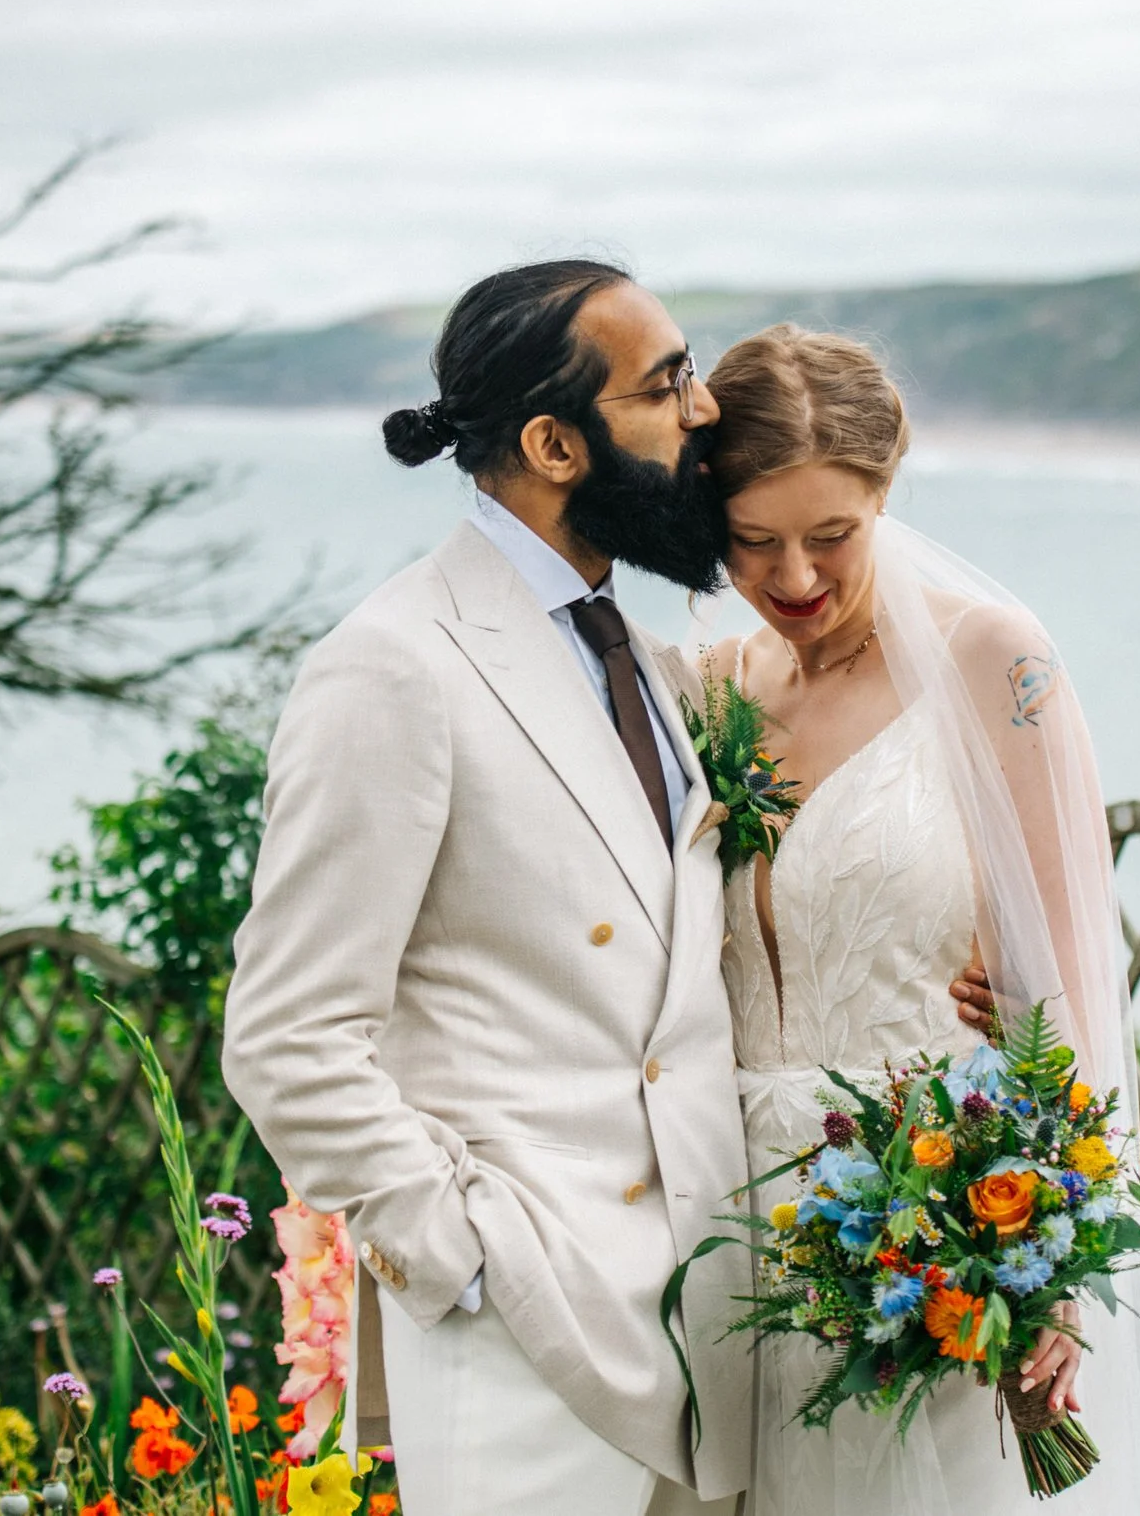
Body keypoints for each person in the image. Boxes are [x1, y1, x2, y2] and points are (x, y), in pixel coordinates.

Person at [222, 261, 754, 1516]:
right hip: (528, 1333)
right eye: (667, 382)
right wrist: (458, 1255)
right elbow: (288, 1031)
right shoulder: (394, 665)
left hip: (714, 1325)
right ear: (554, 443)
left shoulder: (659, 668)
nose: (704, 409)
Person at [698, 326, 1140, 1516]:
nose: (795, 577)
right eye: (753, 541)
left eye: (832, 535)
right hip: (729, 1232)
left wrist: (1051, 1258)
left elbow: (1059, 992)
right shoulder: (713, 689)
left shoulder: (989, 663)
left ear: (885, 495)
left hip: (930, 1228)